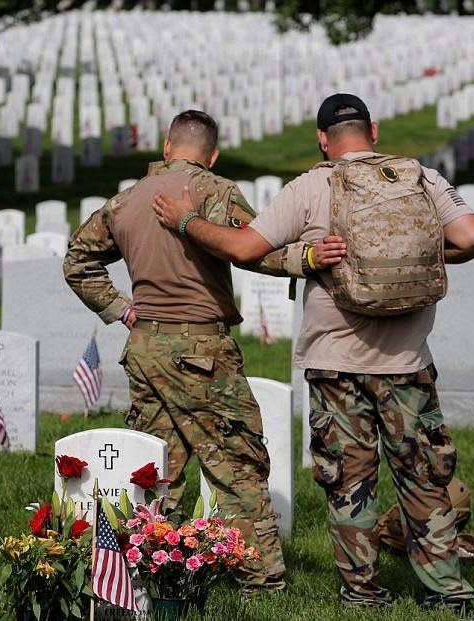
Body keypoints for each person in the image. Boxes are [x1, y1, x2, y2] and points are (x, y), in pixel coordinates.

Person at [152, 94, 474, 612]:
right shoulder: (419, 176)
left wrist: (184, 221)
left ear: (321, 139)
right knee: (422, 476)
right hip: (407, 363)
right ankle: (446, 591)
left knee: (348, 482)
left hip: (333, 362)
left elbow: (244, 249)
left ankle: (362, 593)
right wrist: (418, 254)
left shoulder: (312, 185)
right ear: (373, 131)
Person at [63, 109, 345, 594]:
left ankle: (142, 573)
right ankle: (259, 578)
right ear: (211, 155)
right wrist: (309, 257)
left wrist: (122, 310)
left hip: (145, 346)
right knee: (237, 459)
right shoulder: (215, 192)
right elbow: (254, 248)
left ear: (166, 147)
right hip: (201, 349)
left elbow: (77, 261)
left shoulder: (125, 201)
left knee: (156, 466)